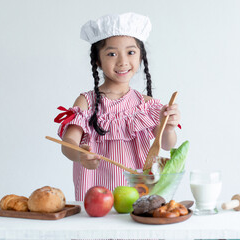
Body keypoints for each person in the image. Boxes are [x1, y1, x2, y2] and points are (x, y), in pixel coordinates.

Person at [54, 12, 181, 201]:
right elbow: (67, 144)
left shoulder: (147, 105)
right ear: (98, 60)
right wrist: (80, 155)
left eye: (131, 52)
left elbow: (166, 144)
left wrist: (168, 126)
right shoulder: (86, 102)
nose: (122, 61)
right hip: (95, 197)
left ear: (140, 57)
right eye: (112, 54)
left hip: (138, 196)